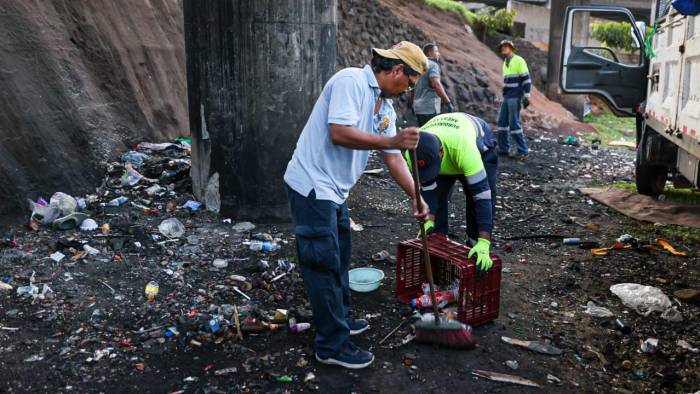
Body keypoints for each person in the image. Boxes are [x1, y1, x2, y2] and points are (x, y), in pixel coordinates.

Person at [283, 41, 430, 370]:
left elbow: (393, 159)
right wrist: (391, 141)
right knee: (321, 263)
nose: (407, 90)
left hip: (336, 191)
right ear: (395, 70)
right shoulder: (350, 81)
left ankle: (341, 319)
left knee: (339, 259)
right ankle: (331, 345)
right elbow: (339, 132)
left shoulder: (385, 109)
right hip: (312, 186)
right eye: (408, 82)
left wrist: (416, 197)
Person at [405, 112, 497, 272]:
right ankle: (438, 242)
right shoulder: (412, 152)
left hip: (479, 145)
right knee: (438, 198)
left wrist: (484, 242)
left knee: (475, 199)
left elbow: (482, 197)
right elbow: (428, 188)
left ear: (440, 153)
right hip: (447, 148)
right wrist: (429, 219)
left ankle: (475, 245)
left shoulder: (465, 150)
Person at [496, 40, 531, 159]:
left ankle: (523, 150)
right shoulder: (505, 63)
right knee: (501, 123)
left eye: (506, 46)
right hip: (507, 96)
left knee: (513, 123)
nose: (504, 48)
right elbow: (506, 83)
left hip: (515, 96)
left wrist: (527, 96)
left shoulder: (519, 60)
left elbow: (526, 79)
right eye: (502, 47)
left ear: (511, 48)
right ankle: (503, 148)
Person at [412, 44, 453, 126]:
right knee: (431, 134)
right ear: (430, 53)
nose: (439, 54)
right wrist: (448, 102)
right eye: (436, 51)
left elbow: (412, 87)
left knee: (423, 133)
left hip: (418, 107)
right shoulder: (433, 65)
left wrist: (412, 103)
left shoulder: (418, 65)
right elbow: (435, 84)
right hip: (430, 108)